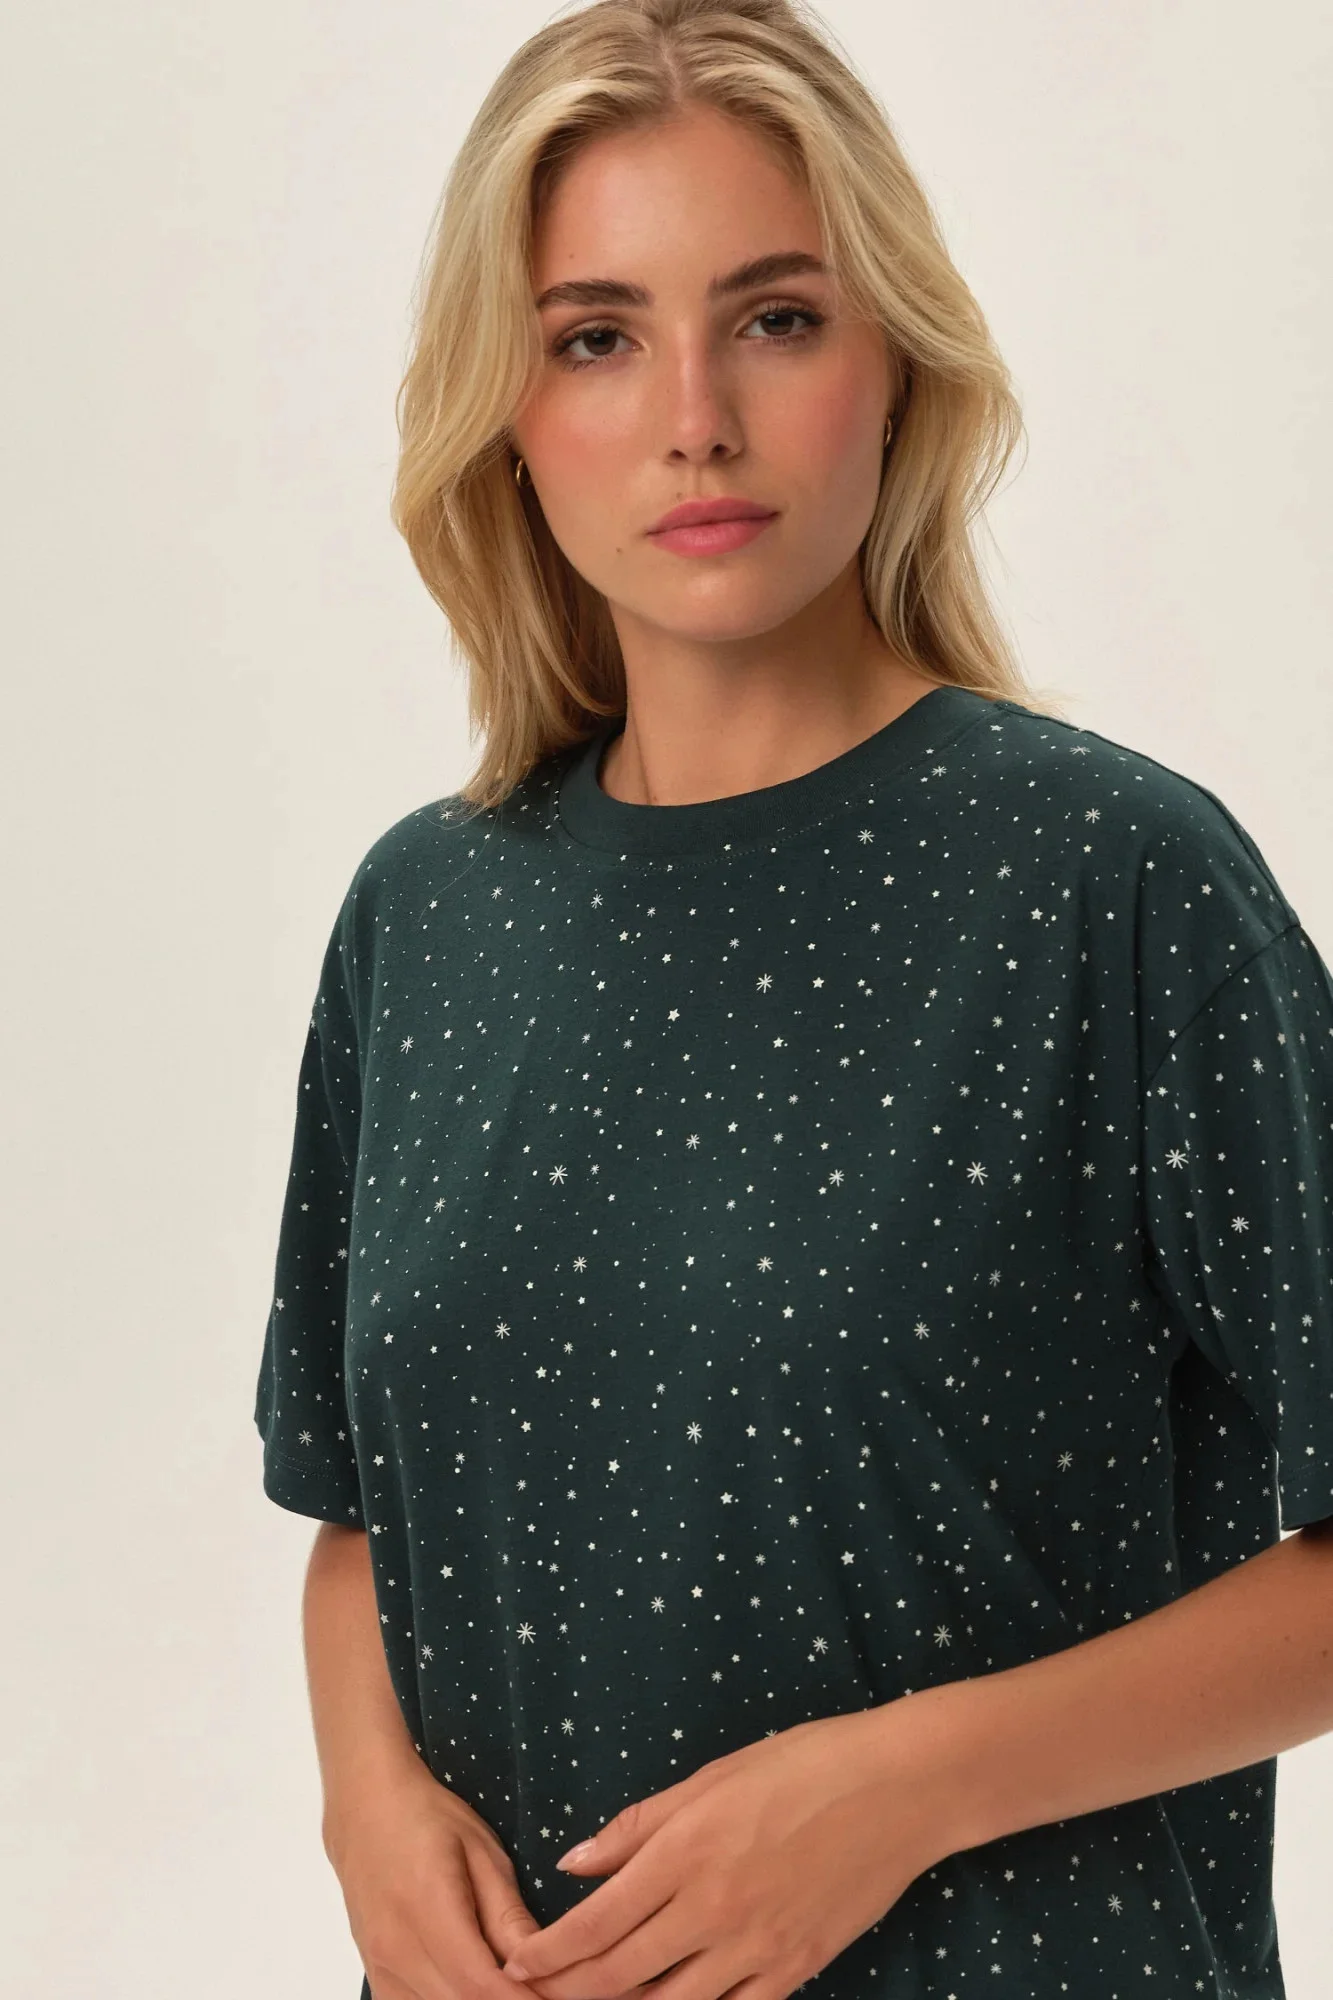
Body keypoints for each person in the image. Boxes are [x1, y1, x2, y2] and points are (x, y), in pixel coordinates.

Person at [252, 3, 1333, 1996]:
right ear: (507, 411)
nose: (695, 417)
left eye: (774, 318)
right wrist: (364, 1805)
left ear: (894, 360)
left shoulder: (1116, 884)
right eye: (596, 336)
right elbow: (355, 1501)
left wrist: (904, 1789)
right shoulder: (425, 912)